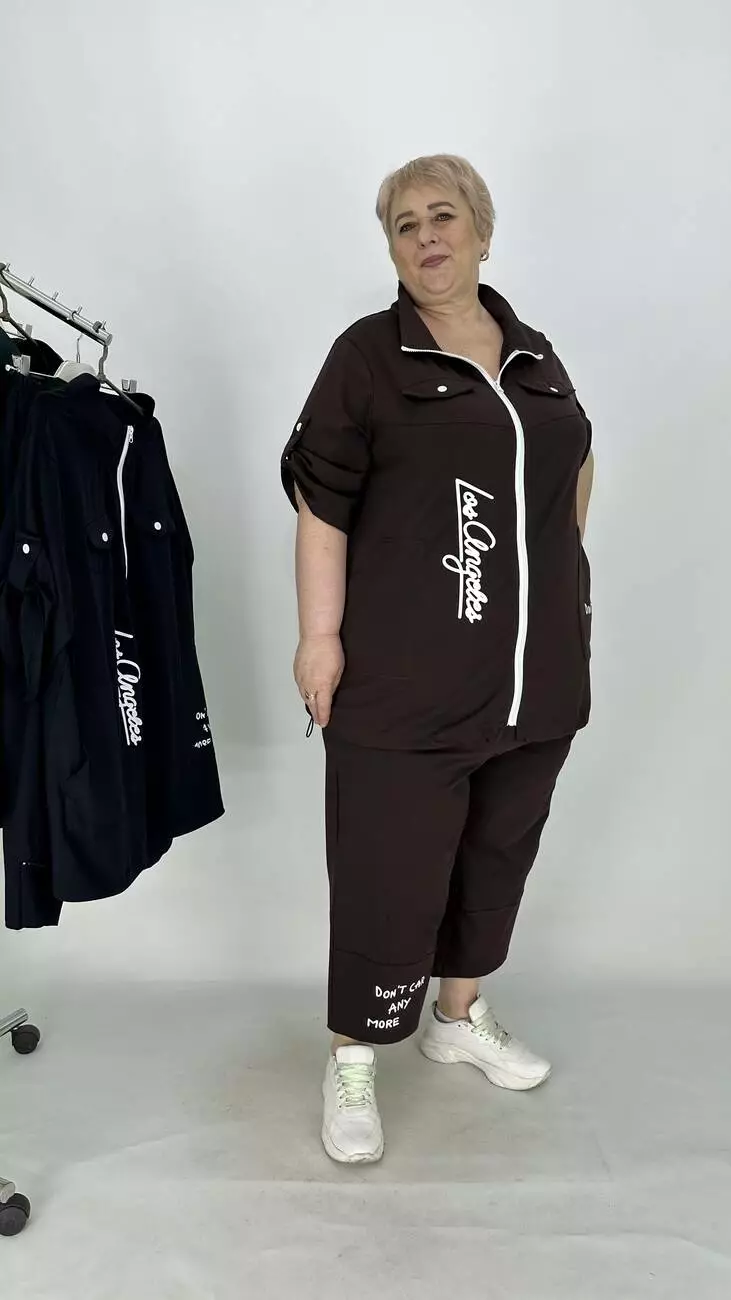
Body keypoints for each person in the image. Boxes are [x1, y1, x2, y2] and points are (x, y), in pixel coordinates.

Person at [281, 154, 595, 1165]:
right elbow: (322, 502)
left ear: (481, 231)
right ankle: (354, 1055)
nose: (426, 236)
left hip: (535, 680)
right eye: (404, 223)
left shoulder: (534, 354)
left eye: (442, 215)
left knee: (496, 855)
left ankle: (455, 1017)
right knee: (388, 871)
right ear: (391, 249)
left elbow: (574, 459)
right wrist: (319, 637)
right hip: (405, 684)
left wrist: (552, 572)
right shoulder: (368, 357)